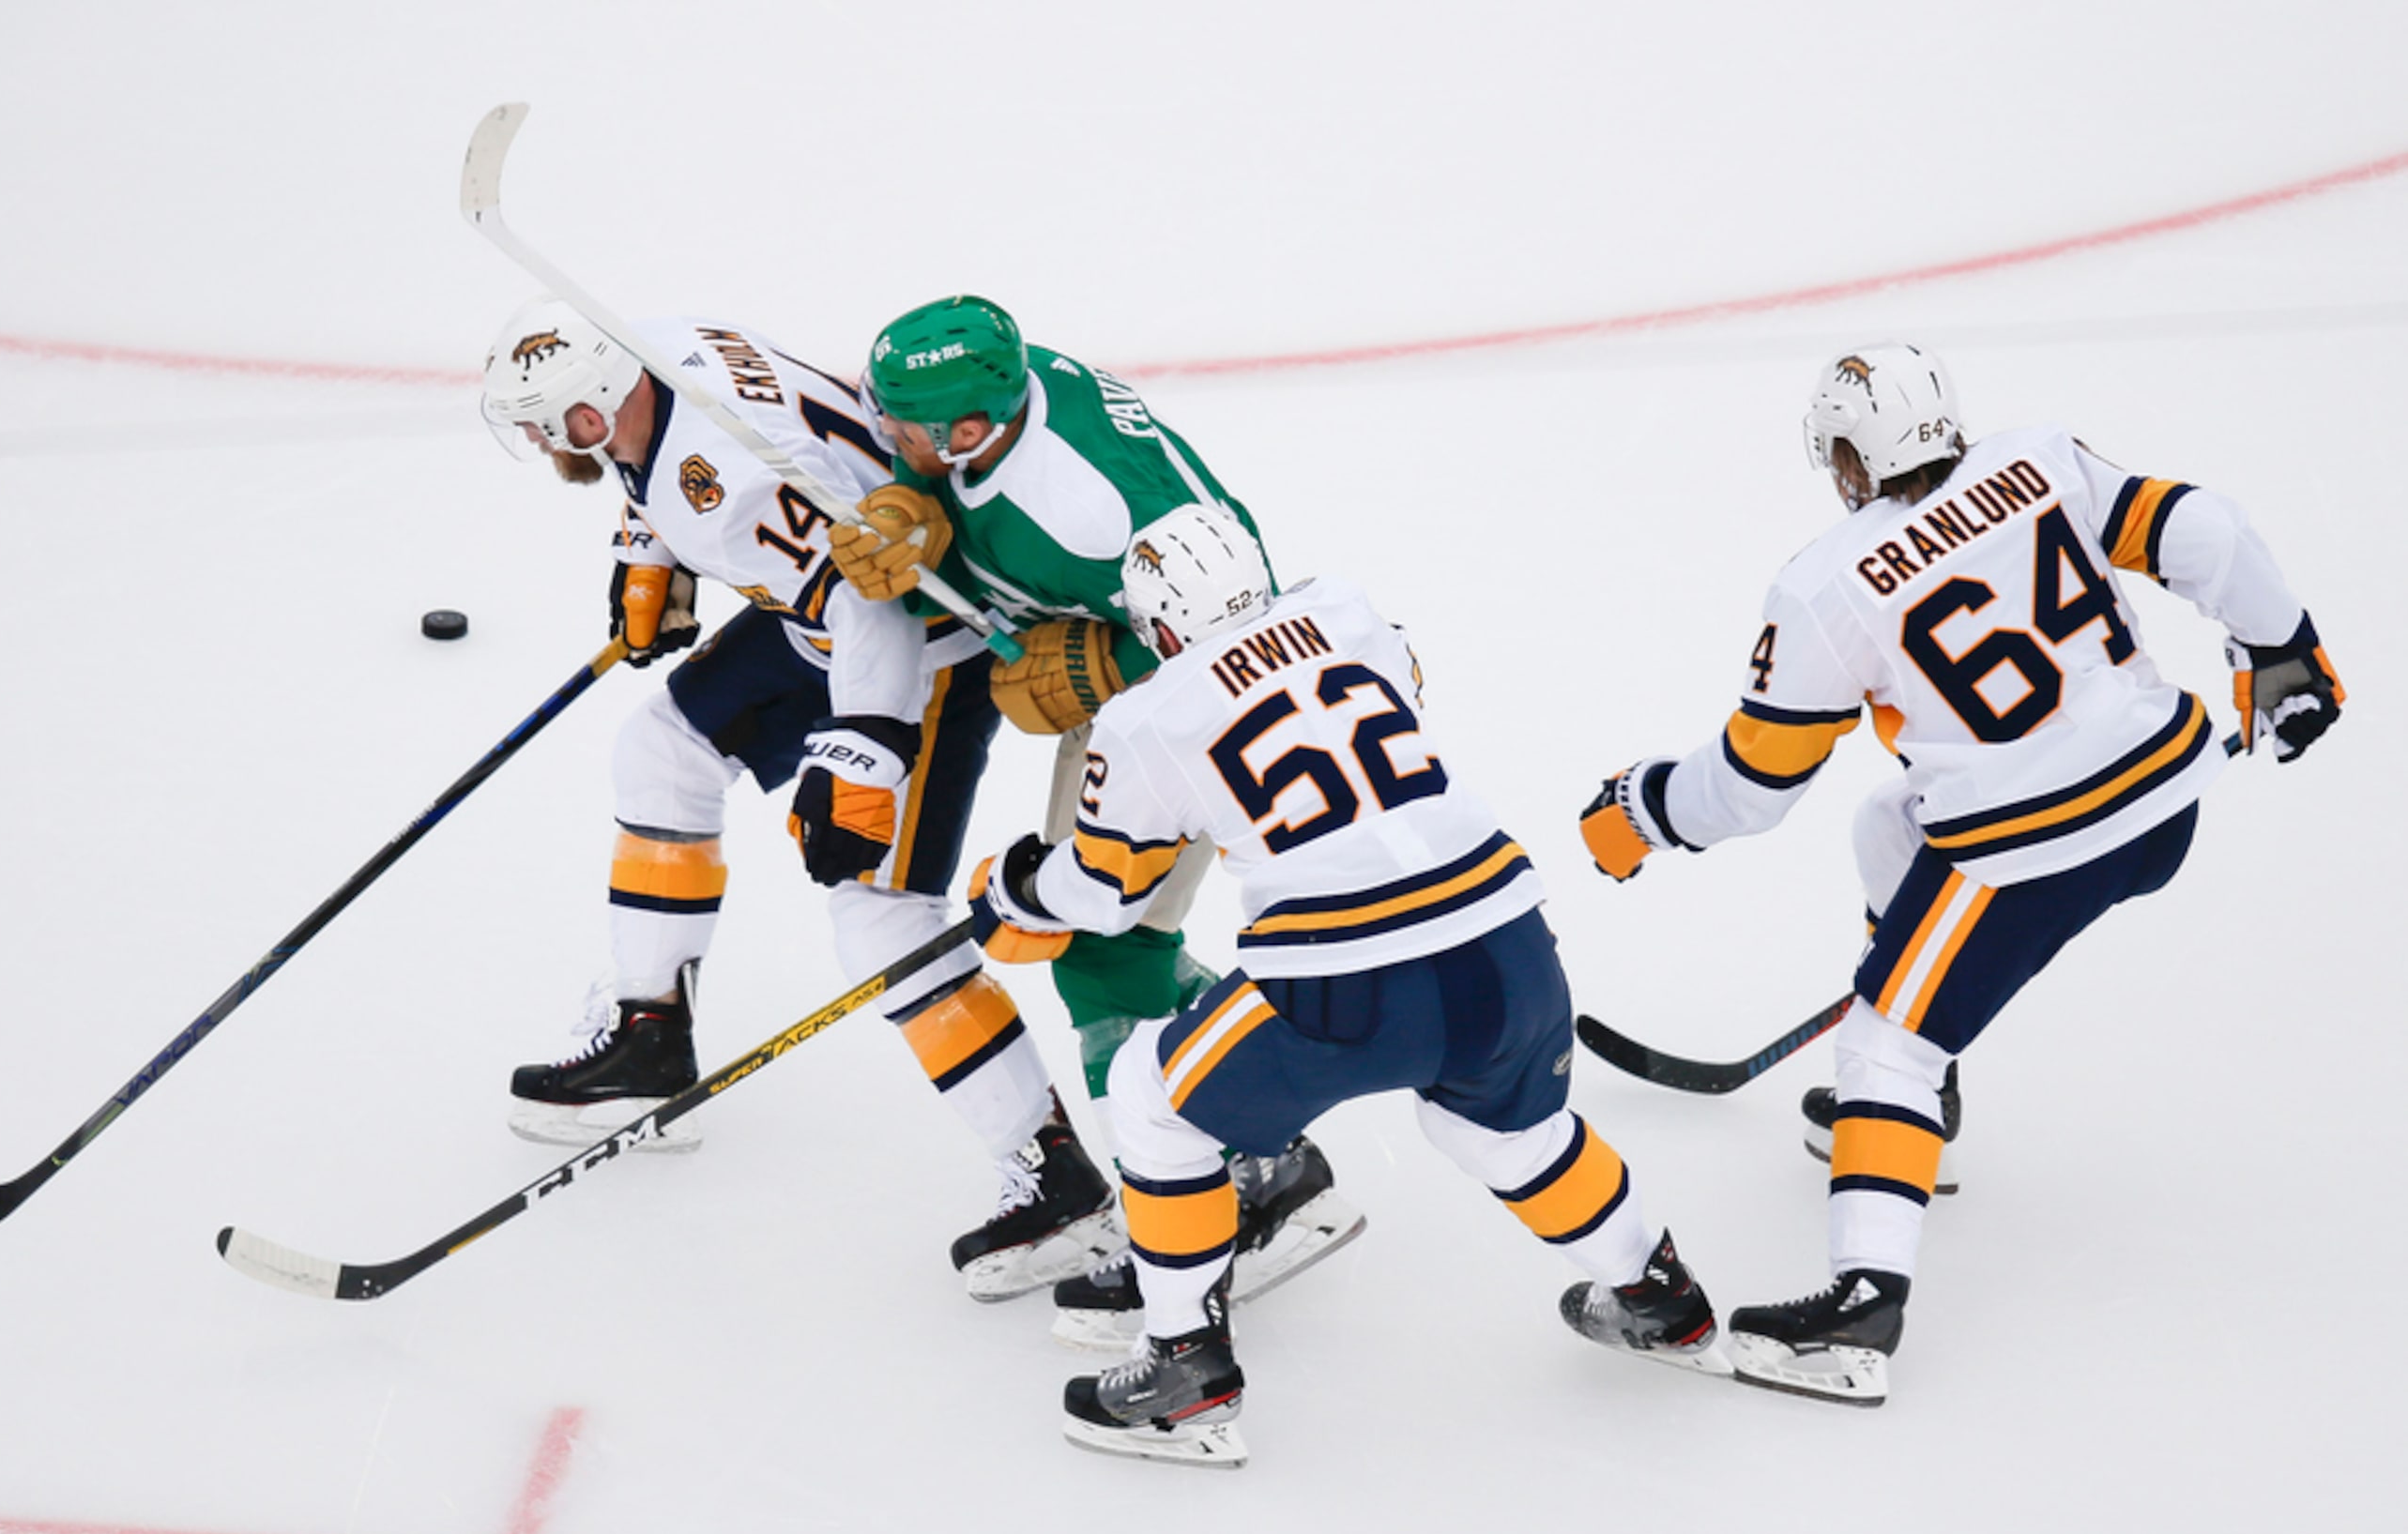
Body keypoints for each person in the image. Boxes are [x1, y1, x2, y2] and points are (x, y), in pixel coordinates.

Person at [1579, 342, 2345, 1406]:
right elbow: (2203, 530)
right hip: (2162, 801)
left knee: (1883, 1040)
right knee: (1887, 828)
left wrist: (1644, 812)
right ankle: (1923, 1116)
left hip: (2026, 851)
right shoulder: (2044, 461)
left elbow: (1756, 783)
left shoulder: (1827, 585)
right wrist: (2285, 651)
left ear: (1846, 457)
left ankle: (1861, 1309)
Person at [968, 506, 1729, 1467]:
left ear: (1158, 628)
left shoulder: (1147, 714)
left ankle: (1184, 1368)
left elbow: (1108, 894)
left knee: (1152, 1102)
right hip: (1507, 938)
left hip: (1343, 973)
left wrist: (1018, 888)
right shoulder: (1345, 613)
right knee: (1501, 1130)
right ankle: (1660, 1296)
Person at [476, 298, 1113, 1298]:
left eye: (560, 422)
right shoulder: (655, 353)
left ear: (600, 399)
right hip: (822, 619)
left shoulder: (738, 473)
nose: (550, 441)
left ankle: (1058, 1176)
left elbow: (873, 601)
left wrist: (865, 750)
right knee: (663, 753)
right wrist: (649, 552)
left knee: (882, 919)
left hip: (919, 647)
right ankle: (650, 1039)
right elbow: (682, 488)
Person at [830, 295, 1363, 1339]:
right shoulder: (1006, 395)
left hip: (1198, 718)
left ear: (968, 429)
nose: (887, 435)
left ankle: (1209, 1215)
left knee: (1098, 951)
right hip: (1156, 707)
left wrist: (1100, 661)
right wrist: (913, 507)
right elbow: (971, 510)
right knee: (1122, 950)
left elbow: (1236, 599)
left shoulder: (1093, 507)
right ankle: (1263, 1154)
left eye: (903, 431)